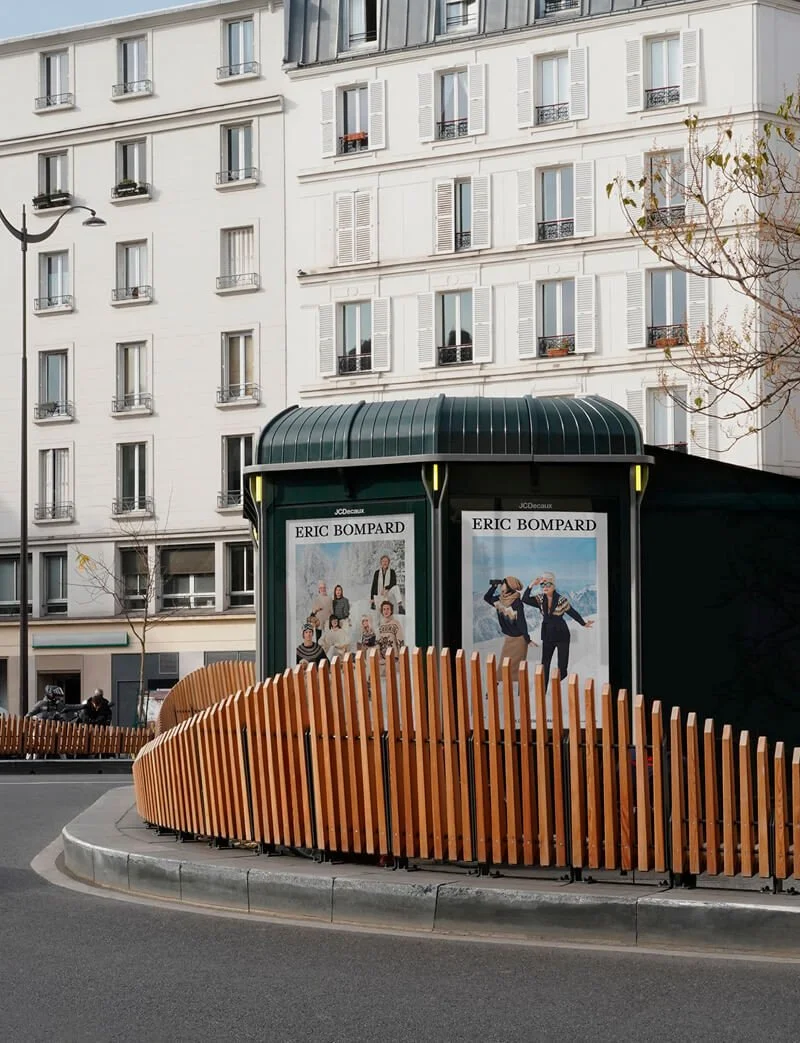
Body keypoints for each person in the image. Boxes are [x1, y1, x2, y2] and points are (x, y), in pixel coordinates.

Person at [523, 572, 594, 684]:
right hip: (547, 634)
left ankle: (560, 692)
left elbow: (572, 612)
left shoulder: (561, 600)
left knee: (562, 666)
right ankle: (543, 692)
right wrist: (532, 584)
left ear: (554, 585)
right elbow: (525, 599)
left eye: (548, 584)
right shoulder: (540, 599)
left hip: (562, 635)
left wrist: (583, 623)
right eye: (542, 585)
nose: (545, 587)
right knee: (544, 665)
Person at [483, 577, 534, 677]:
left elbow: (521, 622)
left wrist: (527, 639)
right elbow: (487, 598)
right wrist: (493, 587)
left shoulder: (516, 602)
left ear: (510, 586)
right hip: (509, 638)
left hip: (519, 640)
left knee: (518, 668)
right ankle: (496, 686)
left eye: (504, 584)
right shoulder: (499, 600)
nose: (502, 585)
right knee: (504, 665)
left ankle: (520, 690)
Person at [377, 599, 404, 664]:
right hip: (383, 658)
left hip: (393, 657)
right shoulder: (381, 625)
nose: (386, 611)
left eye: (388, 609)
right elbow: (378, 642)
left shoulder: (395, 623)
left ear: (391, 610)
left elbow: (400, 640)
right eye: (384, 609)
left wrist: (401, 657)